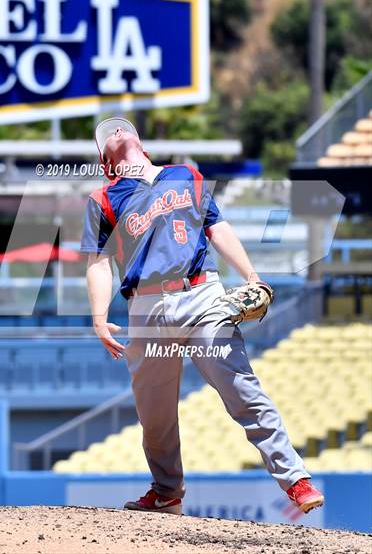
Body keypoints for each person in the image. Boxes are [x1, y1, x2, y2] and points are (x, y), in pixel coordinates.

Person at [81, 117, 324, 516]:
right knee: (154, 415)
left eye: (122, 128)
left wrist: (251, 276)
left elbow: (218, 229)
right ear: (107, 162)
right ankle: (166, 492)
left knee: (242, 390)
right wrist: (98, 316)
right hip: (147, 309)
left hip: (202, 296)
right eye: (107, 136)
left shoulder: (186, 176)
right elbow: (98, 263)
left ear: (142, 142)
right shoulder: (103, 199)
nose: (116, 132)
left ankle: (296, 480)